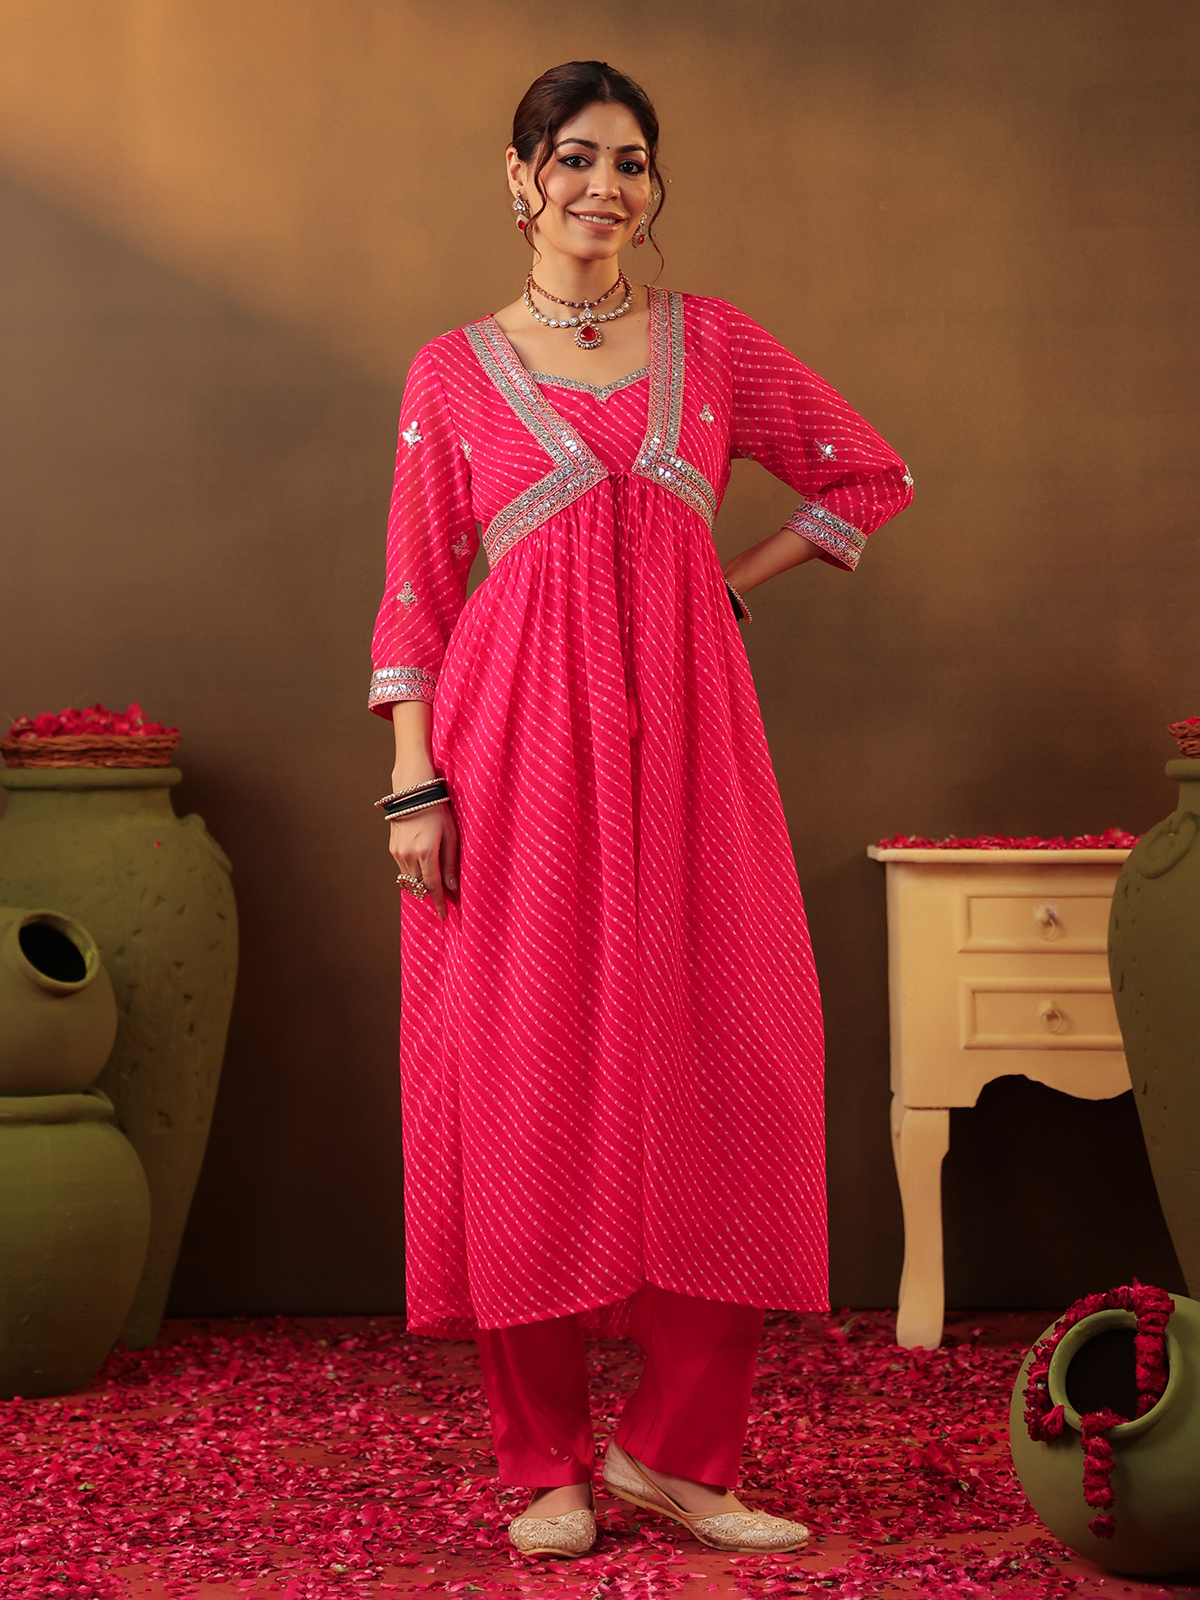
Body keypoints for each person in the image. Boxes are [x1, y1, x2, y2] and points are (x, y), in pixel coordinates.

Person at [369, 60, 912, 1560]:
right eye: (575, 157)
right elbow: (416, 592)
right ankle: (545, 1462)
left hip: (692, 750)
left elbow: (868, 473)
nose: (604, 186)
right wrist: (415, 781)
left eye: (630, 162)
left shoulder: (713, 341)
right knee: (521, 1074)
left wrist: (720, 588)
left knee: (728, 1059)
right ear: (521, 176)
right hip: (509, 755)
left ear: (652, 188)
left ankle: (680, 1456)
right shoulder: (451, 372)